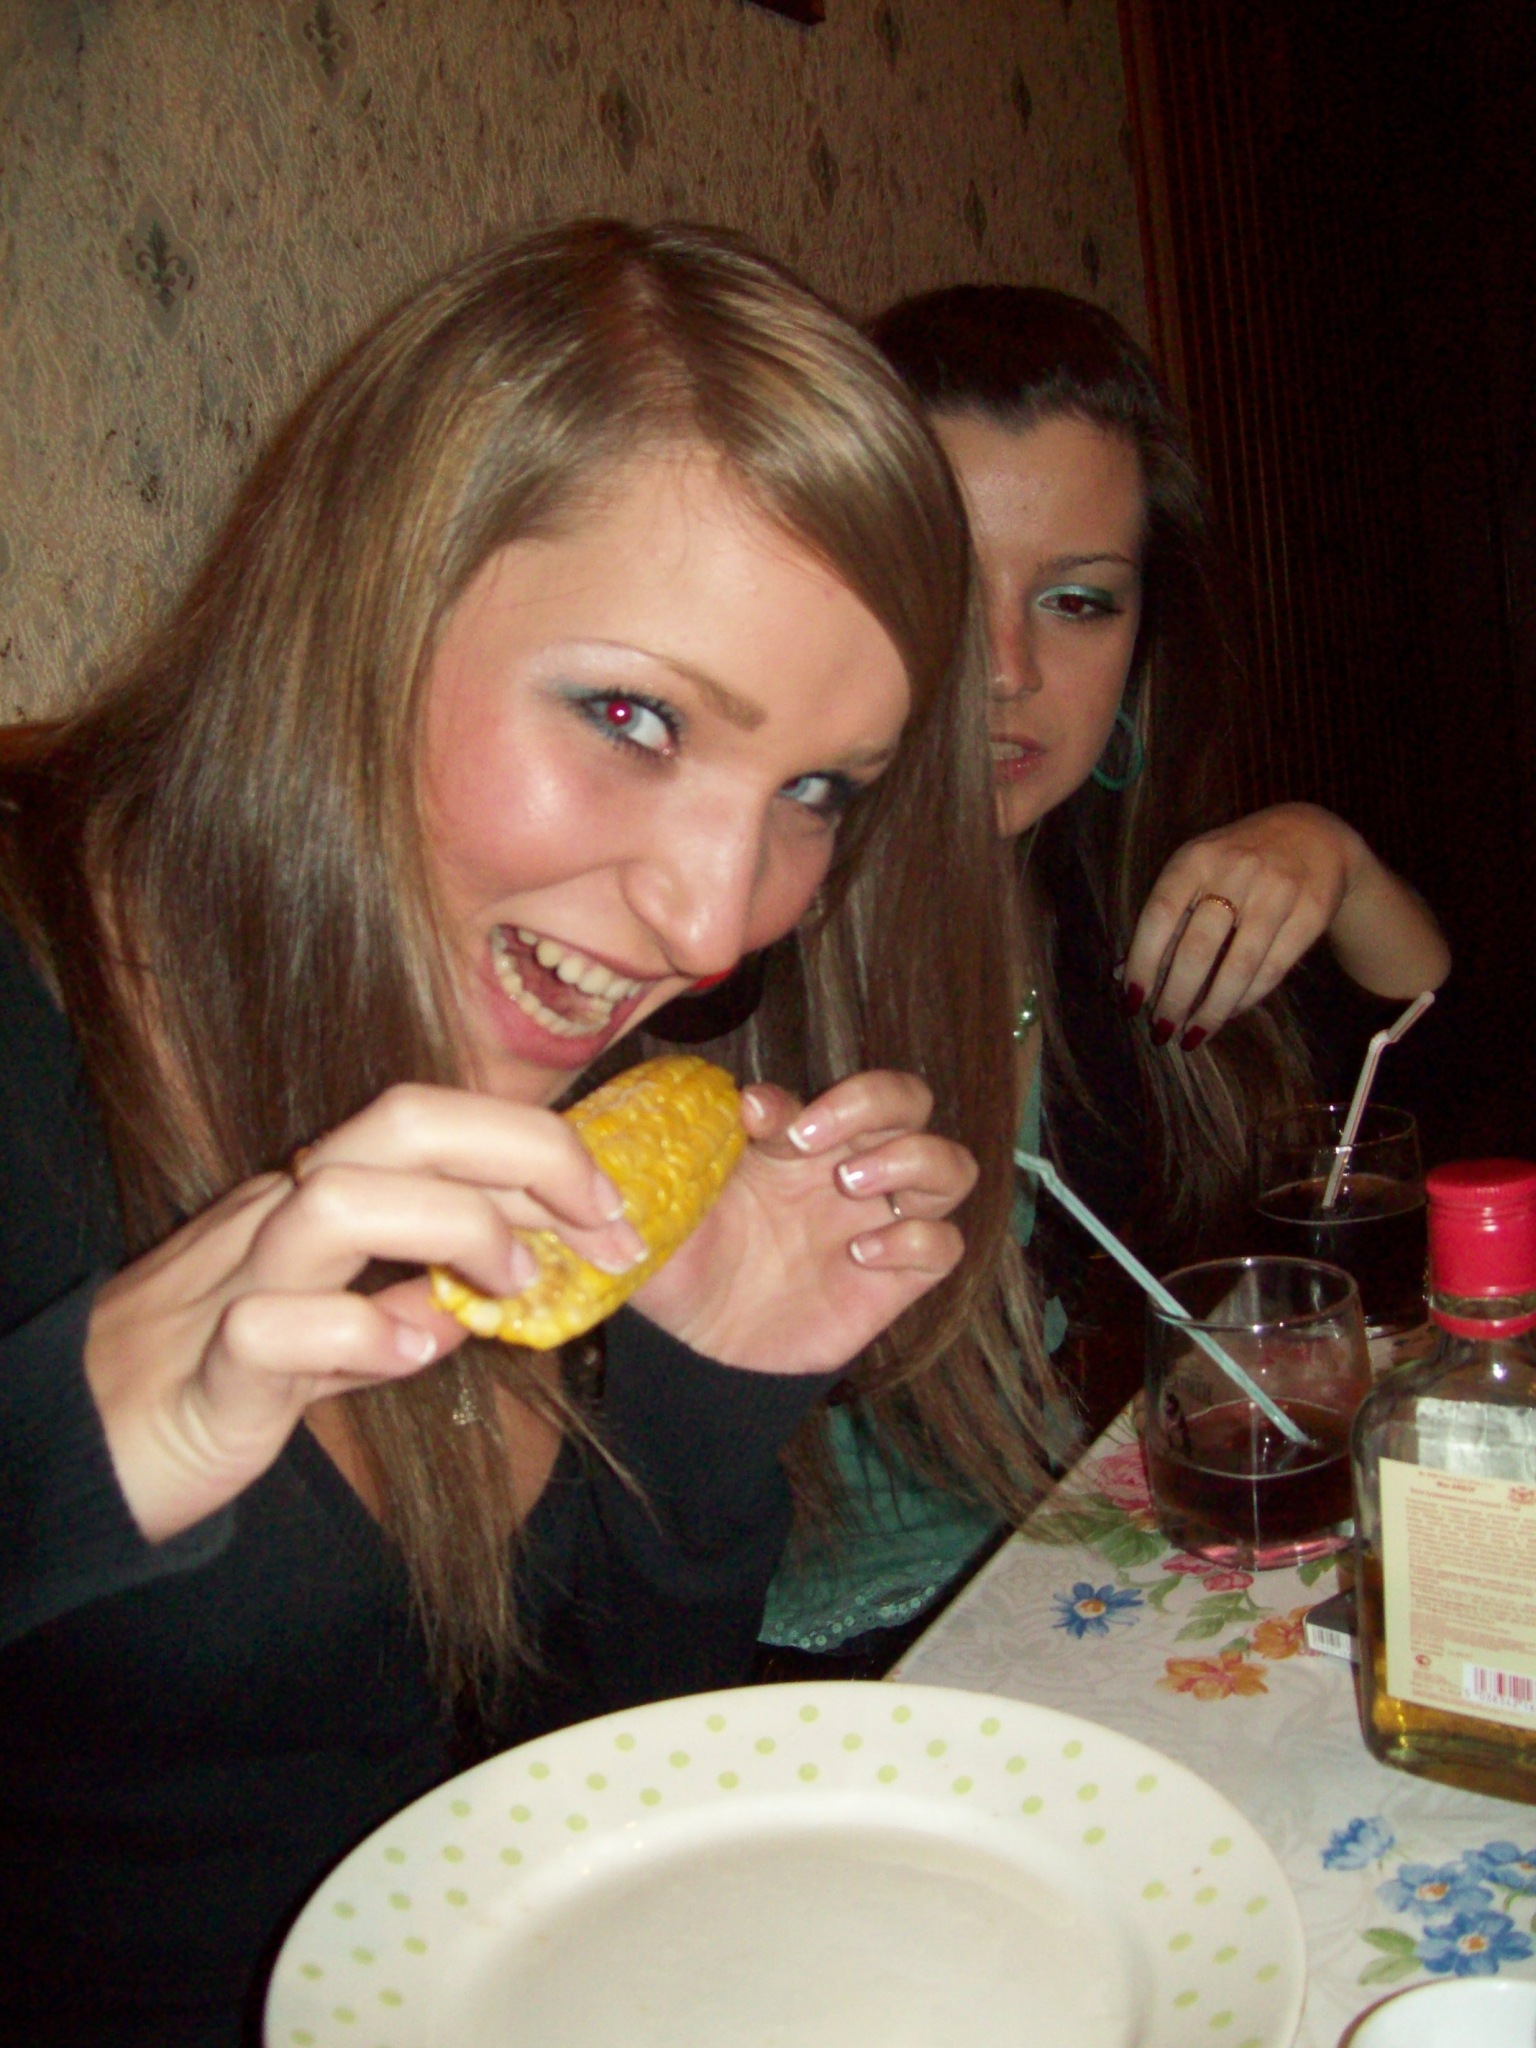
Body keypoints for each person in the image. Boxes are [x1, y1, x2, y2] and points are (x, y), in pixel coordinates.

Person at [0, 222, 1038, 2046]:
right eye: (634, 716)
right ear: (366, 601)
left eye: (815, 792)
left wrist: (702, 1401)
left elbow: (549, 1849)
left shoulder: (558, 1098)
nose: (713, 928)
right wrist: (65, 1461)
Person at [758, 283, 1450, 1666]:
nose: (1008, 670)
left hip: (1094, 1586)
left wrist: (1336, 856)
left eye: (1077, 602)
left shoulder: (1101, 895)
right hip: (812, 1672)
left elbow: (1409, 1071)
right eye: (946, 587)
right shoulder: (721, 950)